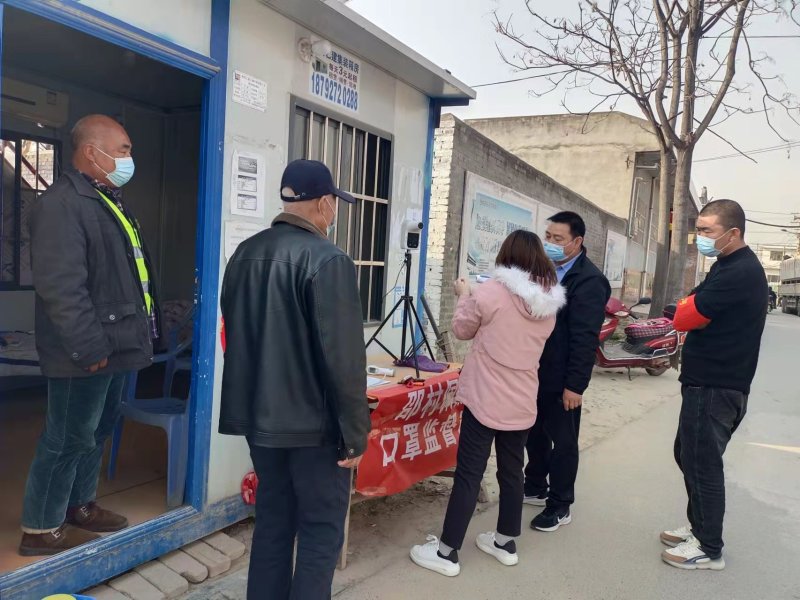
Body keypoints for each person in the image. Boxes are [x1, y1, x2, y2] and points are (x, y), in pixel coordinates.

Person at [219, 159, 370, 600]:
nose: (335, 211)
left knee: (273, 521)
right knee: (321, 529)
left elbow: (235, 335)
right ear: (324, 203)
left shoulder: (244, 254)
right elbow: (344, 360)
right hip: (313, 428)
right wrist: (355, 434)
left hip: (260, 422)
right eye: (335, 203)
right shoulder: (328, 259)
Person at [20, 115, 156, 556]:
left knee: (95, 431)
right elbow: (61, 287)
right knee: (66, 438)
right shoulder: (62, 204)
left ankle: (79, 506)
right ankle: (41, 529)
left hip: (114, 345)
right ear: (90, 152)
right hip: (85, 350)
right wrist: (88, 346)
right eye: (123, 150)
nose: (129, 159)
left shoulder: (105, 200)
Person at [409, 230, 566, 577]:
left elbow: (461, 330)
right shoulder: (548, 305)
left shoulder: (491, 292)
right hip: (522, 399)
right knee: (512, 472)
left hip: (484, 398)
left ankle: (447, 552)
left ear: (506, 257)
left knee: (469, 473)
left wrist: (465, 294)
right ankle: (505, 542)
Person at [662, 199, 767, 571]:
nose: (700, 238)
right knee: (687, 455)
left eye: (707, 231)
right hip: (705, 382)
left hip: (716, 385)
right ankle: (699, 527)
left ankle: (709, 547)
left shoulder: (741, 271)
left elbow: (686, 315)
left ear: (733, 232)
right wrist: (691, 308)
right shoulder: (725, 265)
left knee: (703, 463)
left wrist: (690, 309)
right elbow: (689, 307)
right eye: (698, 230)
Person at [523, 211, 611, 531]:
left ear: (577, 242)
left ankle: (560, 505)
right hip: (534, 371)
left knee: (563, 442)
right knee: (533, 433)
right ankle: (535, 484)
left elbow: (585, 338)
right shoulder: (543, 271)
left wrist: (575, 385)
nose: (550, 243)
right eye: (548, 236)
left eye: (558, 239)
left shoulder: (589, 280)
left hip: (562, 379)